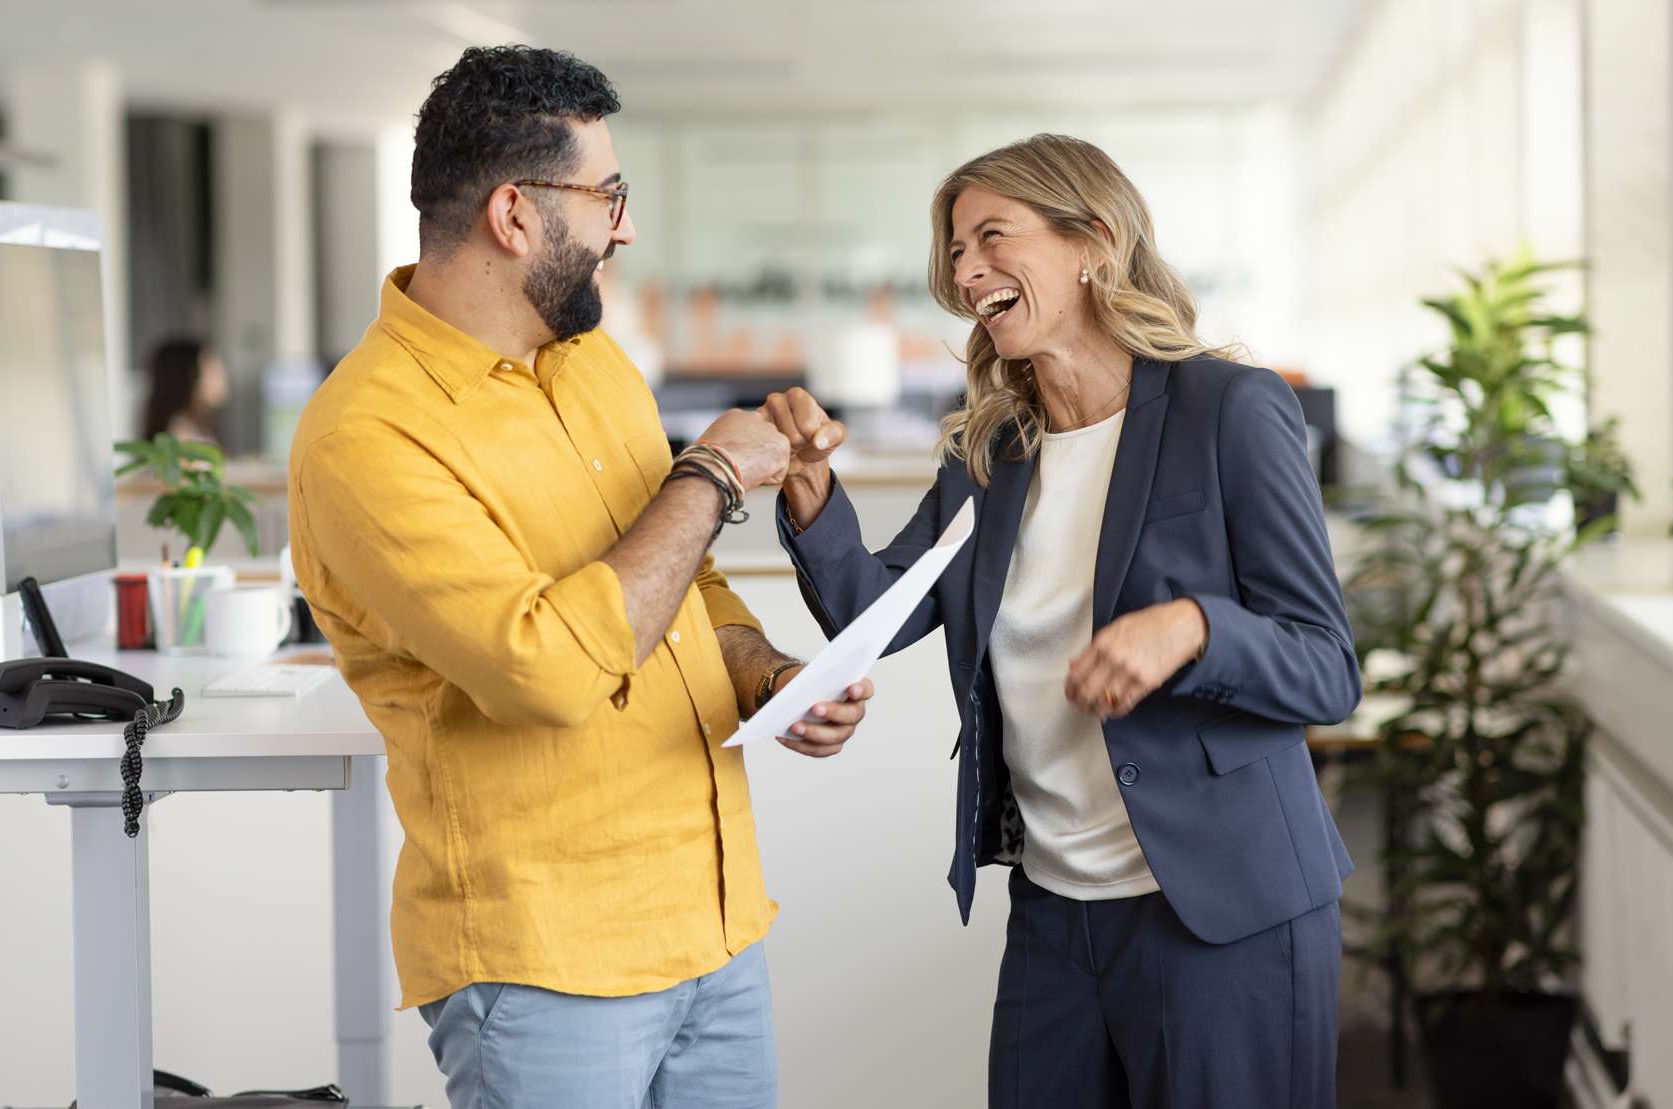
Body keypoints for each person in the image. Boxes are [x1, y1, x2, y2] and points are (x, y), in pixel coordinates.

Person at [285, 46, 876, 1109]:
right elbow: (549, 672)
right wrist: (707, 473)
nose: (626, 228)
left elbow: (678, 587)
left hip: (713, 923)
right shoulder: (365, 437)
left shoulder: (593, 361)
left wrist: (765, 674)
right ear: (515, 214)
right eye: (608, 196)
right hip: (547, 967)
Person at [764, 133, 1359, 1108]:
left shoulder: (1229, 409)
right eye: (954, 252)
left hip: (1221, 910)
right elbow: (870, 607)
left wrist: (1195, 628)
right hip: (1054, 912)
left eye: (990, 237)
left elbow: (1326, 667)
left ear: (1093, 237)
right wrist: (809, 491)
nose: (964, 272)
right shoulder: (991, 454)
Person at [139, 336, 229, 443]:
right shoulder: (181, 437)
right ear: (187, 377)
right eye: (212, 371)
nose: (222, 378)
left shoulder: (195, 428)